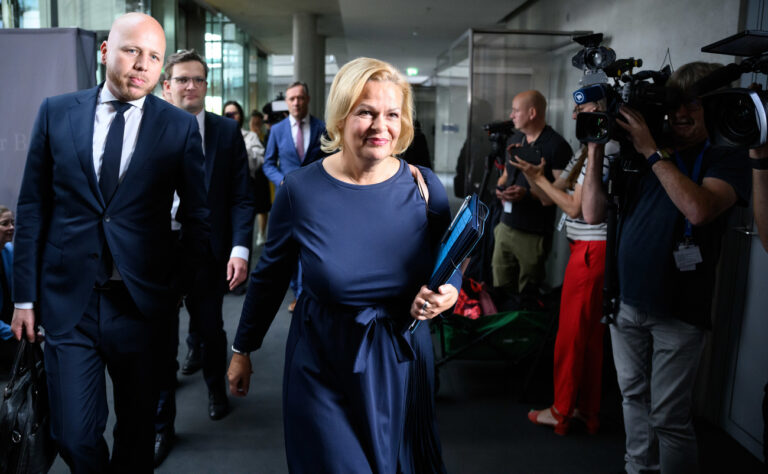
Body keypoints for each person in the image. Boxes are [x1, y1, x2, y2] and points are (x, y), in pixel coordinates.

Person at [227, 57, 460, 473]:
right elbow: (270, 277)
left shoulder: (425, 186)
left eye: (392, 114)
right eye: (365, 112)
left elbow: (451, 257)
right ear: (340, 115)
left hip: (400, 359)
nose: (380, 126)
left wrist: (450, 290)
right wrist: (243, 348)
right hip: (323, 359)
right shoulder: (301, 190)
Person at [11, 13, 210, 473]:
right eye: (131, 50)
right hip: (68, 303)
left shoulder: (177, 127)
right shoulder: (55, 111)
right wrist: (24, 296)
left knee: (138, 433)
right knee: (73, 435)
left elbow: (199, 216)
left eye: (154, 56)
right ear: (105, 51)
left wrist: (177, 285)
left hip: (141, 305)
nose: (142, 64)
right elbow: (32, 208)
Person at [581, 62, 750, 474]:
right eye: (675, 105)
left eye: (693, 104)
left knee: (669, 419)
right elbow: (591, 214)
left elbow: (698, 207)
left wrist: (651, 151)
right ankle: (638, 468)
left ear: (715, 108)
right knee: (633, 400)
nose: (680, 114)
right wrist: (597, 144)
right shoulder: (645, 154)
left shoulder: (727, 157)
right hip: (625, 302)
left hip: (679, 310)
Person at [154, 49, 253, 462]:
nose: (190, 86)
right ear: (167, 86)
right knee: (159, 340)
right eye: (182, 79)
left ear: (206, 86)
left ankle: (216, 387)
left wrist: (240, 249)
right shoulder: (147, 129)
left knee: (210, 328)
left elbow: (242, 198)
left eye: (197, 79)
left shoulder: (226, 133)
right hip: (158, 251)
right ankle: (162, 424)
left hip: (208, 251)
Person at [511, 98, 613, 435]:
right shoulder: (585, 152)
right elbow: (549, 196)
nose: (573, 115)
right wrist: (534, 177)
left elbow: (572, 207)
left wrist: (539, 181)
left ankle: (562, 411)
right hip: (586, 251)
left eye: (582, 110)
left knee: (572, 338)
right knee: (587, 338)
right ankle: (587, 410)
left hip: (591, 253)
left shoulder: (604, 151)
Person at [492, 90, 572, 308]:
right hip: (505, 226)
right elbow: (507, 175)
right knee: (500, 286)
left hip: (533, 233)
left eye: (516, 110)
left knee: (527, 293)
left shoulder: (557, 146)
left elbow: (558, 194)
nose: (512, 115)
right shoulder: (515, 139)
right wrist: (501, 189)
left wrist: (527, 194)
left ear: (532, 112)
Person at [262, 81, 327, 311]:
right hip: (286, 197)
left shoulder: (322, 128)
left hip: (314, 199)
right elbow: (268, 163)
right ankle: (293, 290)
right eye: (292, 99)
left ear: (307, 99)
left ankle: (302, 294)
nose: (296, 102)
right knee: (285, 246)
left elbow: (330, 161)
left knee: (308, 245)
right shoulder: (277, 131)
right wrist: (282, 180)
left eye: (300, 98)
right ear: (287, 102)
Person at [224, 101, 272, 249]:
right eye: (228, 114)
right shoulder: (217, 136)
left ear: (241, 115)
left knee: (242, 234)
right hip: (222, 190)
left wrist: (239, 152)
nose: (231, 116)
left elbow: (258, 160)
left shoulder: (250, 137)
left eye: (235, 113)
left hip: (244, 189)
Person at [0, 206, 16, 376]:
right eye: (5, 223)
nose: (11, 227)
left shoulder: (10, 251)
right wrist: (11, 330)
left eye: (12, 222)